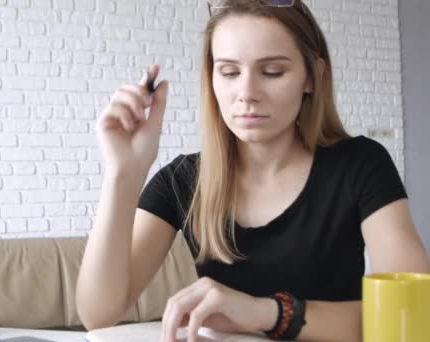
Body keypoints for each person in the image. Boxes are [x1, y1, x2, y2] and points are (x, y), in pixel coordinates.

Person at [76, 0, 430, 341]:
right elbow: (99, 315)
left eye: (272, 71)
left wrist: (265, 313)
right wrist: (123, 173)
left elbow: (413, 314)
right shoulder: (182, 180)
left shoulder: (360, 165)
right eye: (229, 72)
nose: (246, 93)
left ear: (313, 77)